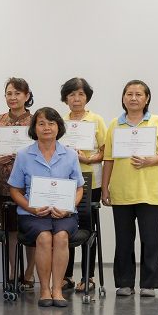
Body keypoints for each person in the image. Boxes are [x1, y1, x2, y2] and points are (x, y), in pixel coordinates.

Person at [101, 80, 158, 298]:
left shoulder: (156, 121)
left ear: (147, 98)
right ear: (123, 98)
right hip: (121, 192)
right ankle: (124, 283)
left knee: (150, 240)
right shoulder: (114, 124)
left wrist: (150, 160)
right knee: (123, 240)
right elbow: (108, 159)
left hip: (149, 192)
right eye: (129, 94)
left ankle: (149, 284)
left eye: (138, 94)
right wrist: (105, 188)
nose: (133, 98)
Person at [8, 107, 84, 308]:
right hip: (33, 214)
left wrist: (69, 208)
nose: (47, 127)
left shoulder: (70, 155)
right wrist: (31, 208)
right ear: (34, 128)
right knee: (43, 237)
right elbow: (15, 190)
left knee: (61, 237)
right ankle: (44, 290)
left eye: (51, 123)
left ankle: (57, 289)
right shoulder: (23, 155)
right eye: (41, 123)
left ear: (59, 127)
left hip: (64, 213)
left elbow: (79, 189)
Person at [59, 77, 106, 292]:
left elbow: (105, 151)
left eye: (81, 94)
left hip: (90, 180)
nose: (76, 99)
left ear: (87, 97)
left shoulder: (96, 120)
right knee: (66, 227)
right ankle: (66, 276)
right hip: (65, 181)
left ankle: (88, 276)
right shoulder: (60, 121)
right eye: (71, 94)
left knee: (88, 228)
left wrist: (87, 159)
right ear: (65, 98)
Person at [0, 77, 35, 291]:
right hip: (5, 184)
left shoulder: (36, 121)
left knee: (32, 231)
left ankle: (29, 273)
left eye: (17, 93)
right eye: (9, 93)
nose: (13, 97)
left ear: (27, 96)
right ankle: (13, 271)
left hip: (31, 186)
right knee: (11, 231)